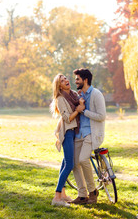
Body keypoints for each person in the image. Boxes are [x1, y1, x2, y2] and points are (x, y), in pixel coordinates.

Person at [70, 68, 106, 205]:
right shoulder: (81, 95)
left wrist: (84, 111)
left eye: (77, 79)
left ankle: (93, 191)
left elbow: (102, 116)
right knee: (74, 162)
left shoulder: (96, 94)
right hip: (79, 133)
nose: (75, 81)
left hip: (93, 133)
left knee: (83, 159)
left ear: (85, 80)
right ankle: (82, 195)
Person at [50, 74, 85, 207]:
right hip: (68, 133)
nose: (66, 81)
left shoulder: (73, 94)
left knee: (65, 163)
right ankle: (57, 197)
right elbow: (67, 118)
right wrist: (78, 110)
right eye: (62, 80)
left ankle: (63, 194)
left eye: (66, 78)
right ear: (59, 85)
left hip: (75, 131)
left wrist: (81, 97)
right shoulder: (60, 98)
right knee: (69, 164)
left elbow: (80, 101)